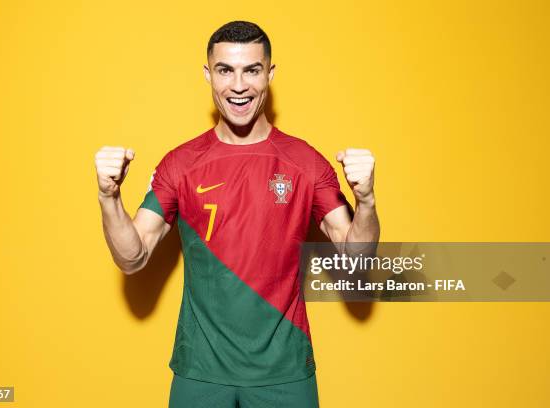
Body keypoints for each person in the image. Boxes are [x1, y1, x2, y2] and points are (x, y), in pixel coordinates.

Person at [95, 20, 380, 408]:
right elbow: (133, 256)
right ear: (208, 74)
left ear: (270, 74)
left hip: (285, 372)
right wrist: (108, 197)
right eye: (226, 70)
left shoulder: (304, 163)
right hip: (201, 371)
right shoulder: (180, 164)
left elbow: (356, 262)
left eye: (252, 70)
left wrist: (366, 202)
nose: (239, 85)